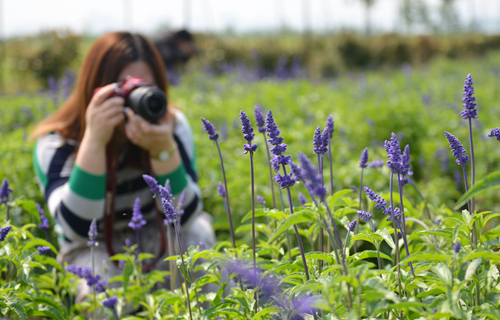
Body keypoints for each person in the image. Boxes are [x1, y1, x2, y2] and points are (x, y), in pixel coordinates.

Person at [31, 32, 215, 291]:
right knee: (99, 288)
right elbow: (77, 229)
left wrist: (163, 150)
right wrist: (94, 142)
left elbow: (186, 215)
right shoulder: (56, 143)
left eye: (146, 87)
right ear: (95, 87)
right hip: (94, 248)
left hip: (158, 235)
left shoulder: (173, 126)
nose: (137, 99)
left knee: (199, 235)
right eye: (125, 88)